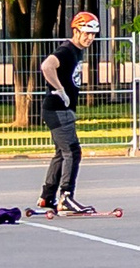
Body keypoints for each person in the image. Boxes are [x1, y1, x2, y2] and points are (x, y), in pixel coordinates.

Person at [36, 12, 102, 216]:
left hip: (60, 110)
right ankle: (66, 197)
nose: (90, 38)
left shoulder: (76, 51)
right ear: (76, 31)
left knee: (61, 153)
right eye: (86, 33)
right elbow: (47, 66)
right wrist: (60, 89)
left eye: (93, 34)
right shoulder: (67, 50)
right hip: (58, 109)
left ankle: (47, 196)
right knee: (73, 152)